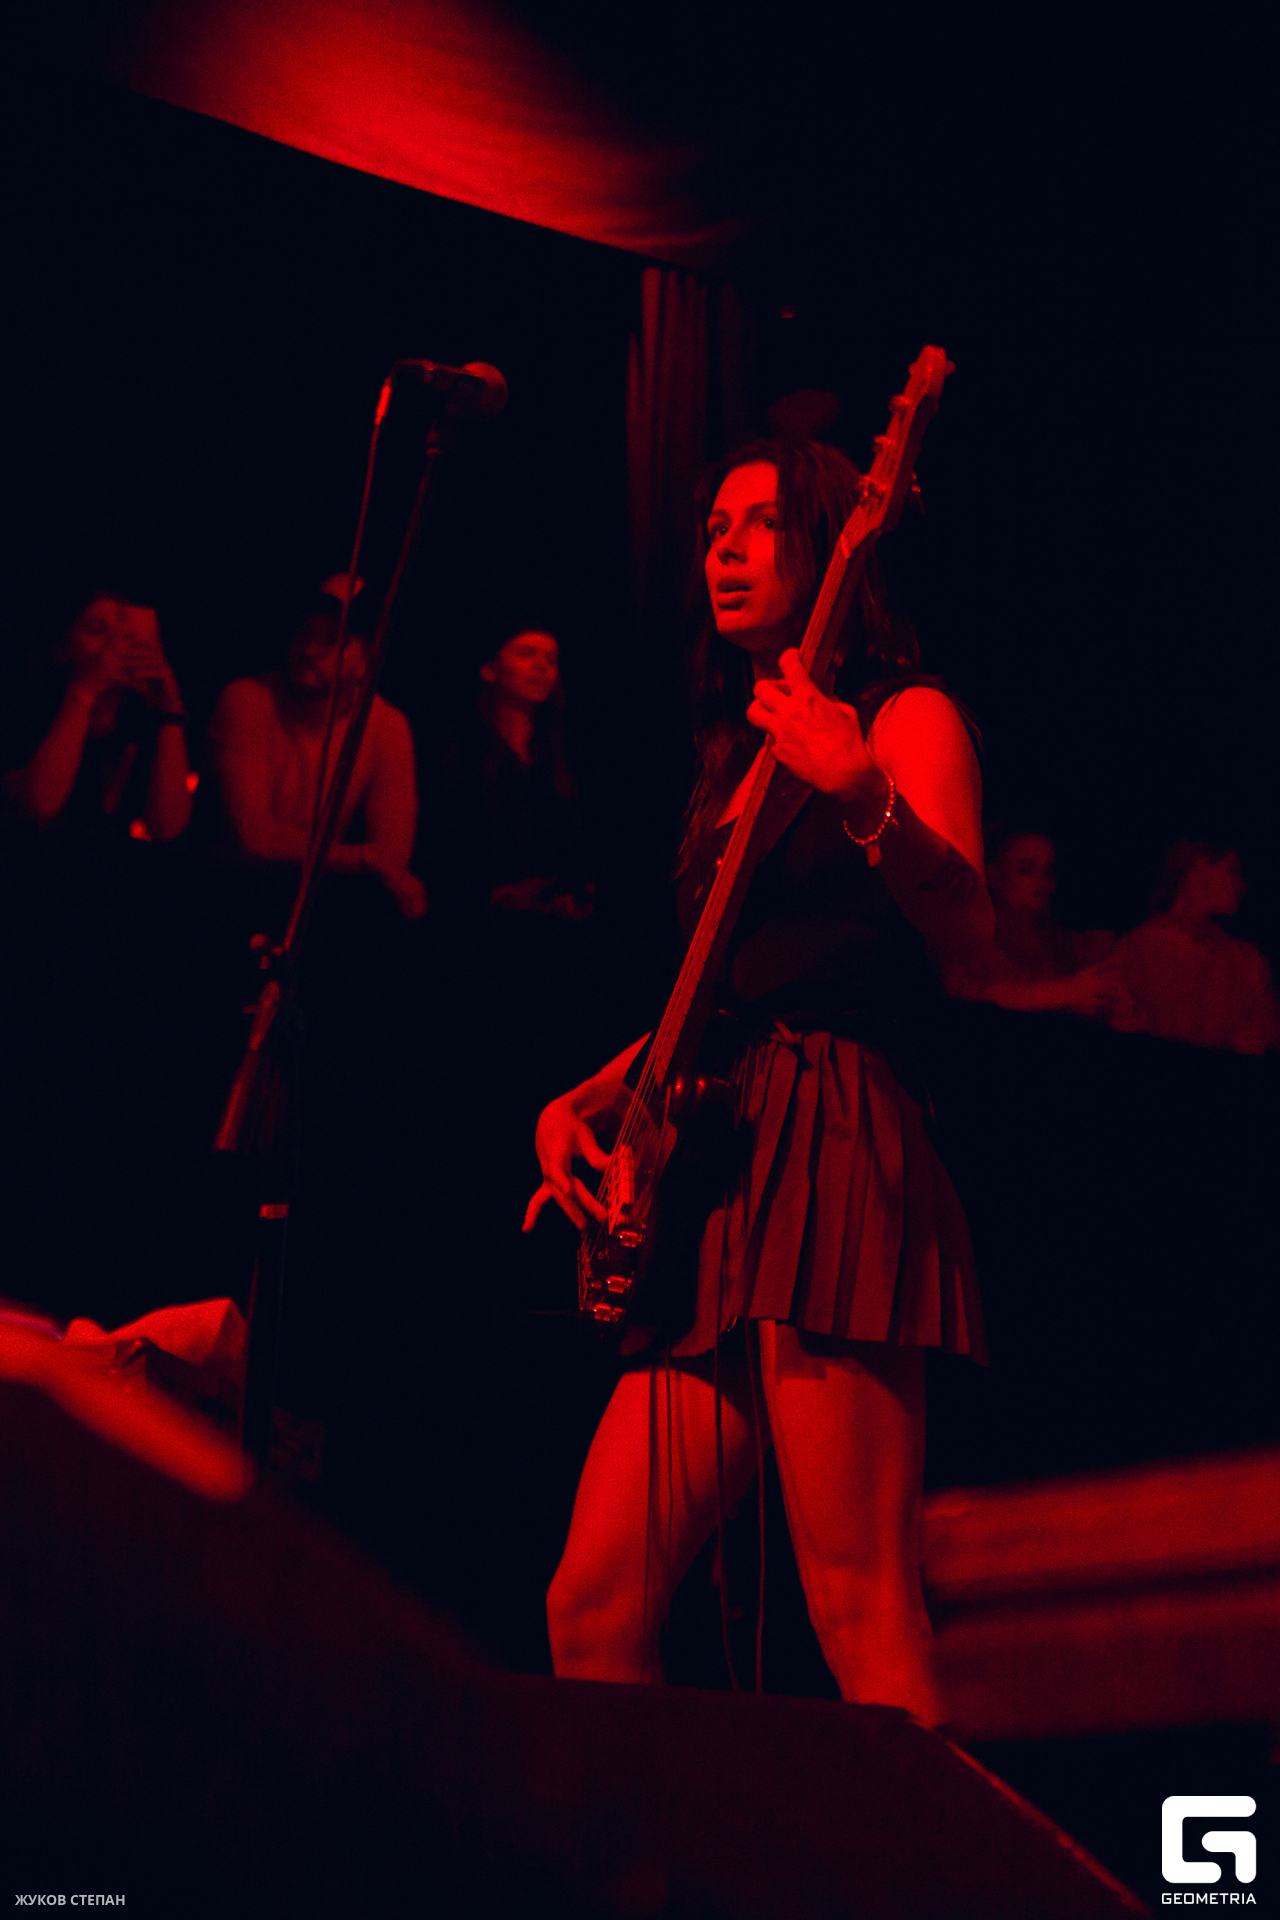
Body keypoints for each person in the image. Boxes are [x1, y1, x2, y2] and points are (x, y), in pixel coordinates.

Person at [524, 440, 993, 1723]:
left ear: (835, 535)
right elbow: (742, 982)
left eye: (759, 523)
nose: (722, 549)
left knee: (860, 1608)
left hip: (832, 1140)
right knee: (593, 1603)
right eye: (712, 528)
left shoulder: (902, 716)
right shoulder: (732, 756)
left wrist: (863, 795)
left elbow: (968, 933)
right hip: (721, 1164)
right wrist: (592, 1095)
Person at [205, 581, 426, 919]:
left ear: (368, 659)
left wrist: (376, 862)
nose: (309, 649)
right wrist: (363, 858)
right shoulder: (248, 699)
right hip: (226, 890)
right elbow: (253, 836)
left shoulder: (388, 725)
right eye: (306, 632)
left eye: (332, 640)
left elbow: (393, 854)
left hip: (312, 905)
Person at [3, 590, 193, 841]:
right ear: (63, 648)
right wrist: (84, 689)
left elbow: (168, 827)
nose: (113, 645)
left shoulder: (138, 721)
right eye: (97, 630)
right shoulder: (28, 708)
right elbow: (39, 807)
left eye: (125, 635)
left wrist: (171, 713)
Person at [1108, 840, 1280, 1053]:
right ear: (1198, 866)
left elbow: (1271, 1032)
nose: (1242, 886)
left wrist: (1257, 1041)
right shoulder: (1134, 951)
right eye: (1232, 870)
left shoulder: (1247, 961)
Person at [942, 829, 1119, 1016]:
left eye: (1048, 871)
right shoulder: (968, 942)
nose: (1042, 881)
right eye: (1026, 869)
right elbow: (964, 992)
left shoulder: (1058, 942)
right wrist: (1064, 992)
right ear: (994, 875)